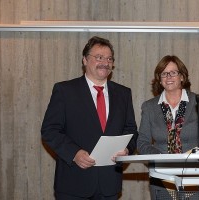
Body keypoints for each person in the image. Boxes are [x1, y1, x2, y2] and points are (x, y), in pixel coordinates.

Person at [41, 36, 138, 200]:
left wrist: (126, 150)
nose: (105, 62)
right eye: (99, 57)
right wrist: (74, 153)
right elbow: (50, 131)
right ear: (85, 60)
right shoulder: (64, 91)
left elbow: (131, 130)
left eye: (109, 59)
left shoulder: (123, 93)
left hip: (109, 185)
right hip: (73, 184)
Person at [137, 55, 199, 199]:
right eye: (164, 73)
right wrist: (160, 158)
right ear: (159, 79)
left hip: (196, 176)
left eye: (173, 72)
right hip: (161, 176)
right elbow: (142, 142)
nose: (169, 77)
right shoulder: (149, 107)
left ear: (182, 76)